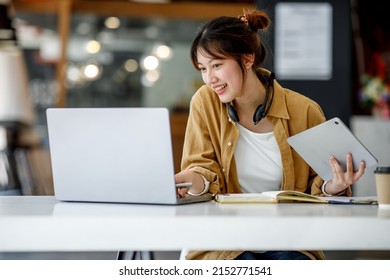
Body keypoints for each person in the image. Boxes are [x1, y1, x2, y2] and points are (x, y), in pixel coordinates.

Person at [174, 9, 366, 260]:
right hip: (225, 242)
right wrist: (185, 181)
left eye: (217, 65)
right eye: (203, 68)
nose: (210, 78)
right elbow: (202, 170)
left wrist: (334, 187)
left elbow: (317, 194)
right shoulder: (205, 102)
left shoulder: (304, 110)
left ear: (247, 59)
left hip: (289, 240)